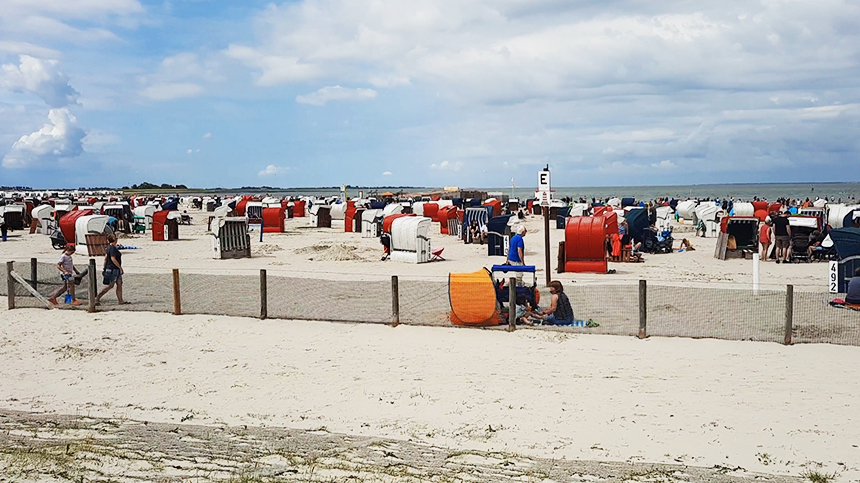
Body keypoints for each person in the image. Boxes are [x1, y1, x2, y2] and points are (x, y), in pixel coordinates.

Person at [95, 234, 126, 305]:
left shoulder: (109, 248)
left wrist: (104, 267)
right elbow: (113, 259)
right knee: (109, 285)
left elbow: (106, 258)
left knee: (119, 284)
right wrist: (120, 267)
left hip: (111, 268)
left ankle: (120, 300)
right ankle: (97, 297)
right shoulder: (112, 248)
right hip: (113, 269)